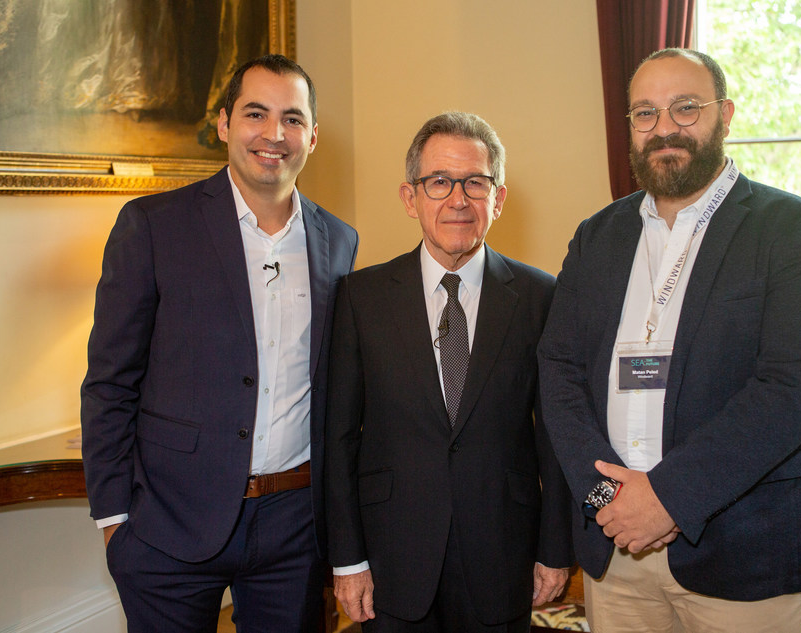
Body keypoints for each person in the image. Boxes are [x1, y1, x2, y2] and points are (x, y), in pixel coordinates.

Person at [537, 48, 801, 633]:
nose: (664, 129)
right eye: (645, 114)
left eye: (686, 108)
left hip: (739, 544)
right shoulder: (597, 236)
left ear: (725, 115)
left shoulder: (794, 231)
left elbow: (791, 386)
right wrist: (608, 499)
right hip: (617, 547)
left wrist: (668, 498)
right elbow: (558, 368)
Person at [80, 54, 358, 632]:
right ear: (226, 123)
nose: (274, 134)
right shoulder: (153, 225)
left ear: (313, 136)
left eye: (292, 118)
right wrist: (115, 522)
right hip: (168, 526)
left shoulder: (340, 242)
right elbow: (110, 381)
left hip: (294, 526)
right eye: (256, 113)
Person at [325, 111, 573, 632]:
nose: (457, 199)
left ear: (498, 199)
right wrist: (347, 559)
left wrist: (555, 549)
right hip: (392, 557)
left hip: (503, 555)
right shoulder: (359, 298)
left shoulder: (541, 297)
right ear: (410, 197)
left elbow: (556, 435)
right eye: (438, 182)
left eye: (475, 183)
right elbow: (339, 439)